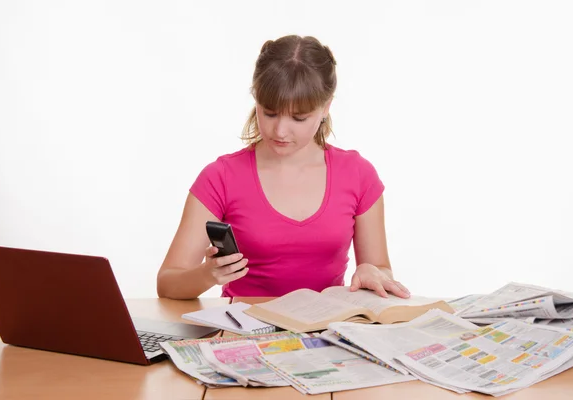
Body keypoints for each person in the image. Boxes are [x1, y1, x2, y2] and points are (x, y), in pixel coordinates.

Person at [157, 35, 410, 300]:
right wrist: (207, 274)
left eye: (299, 118)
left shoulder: (358, 175)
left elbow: (381, 271)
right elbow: (167, 282)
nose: (279, 131)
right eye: (269, 113)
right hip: (243, 333)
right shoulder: (219, 178)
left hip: (325, 333)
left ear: (326, 107)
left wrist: (372, 271)